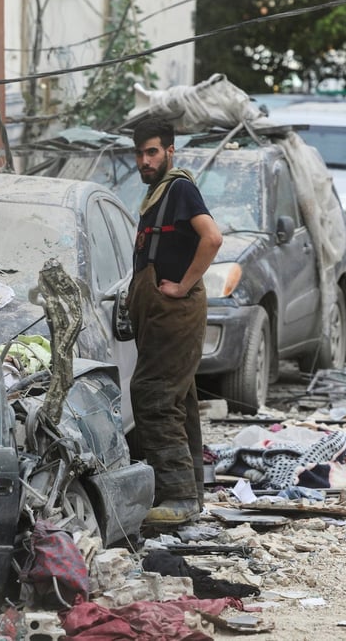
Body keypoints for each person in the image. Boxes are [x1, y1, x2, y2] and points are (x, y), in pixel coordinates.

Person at [127, 118, 222, 525]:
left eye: (152, 152)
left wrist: (183, 286)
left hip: (175, 311)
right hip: (158, 314)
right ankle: (190, 494)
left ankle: (179, 498)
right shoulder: (156, 195)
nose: (145, 160)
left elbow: (213, 238)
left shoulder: (180, 188)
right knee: (178, 398)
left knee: (152, 395)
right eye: (140, 154)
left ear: (170, 151)